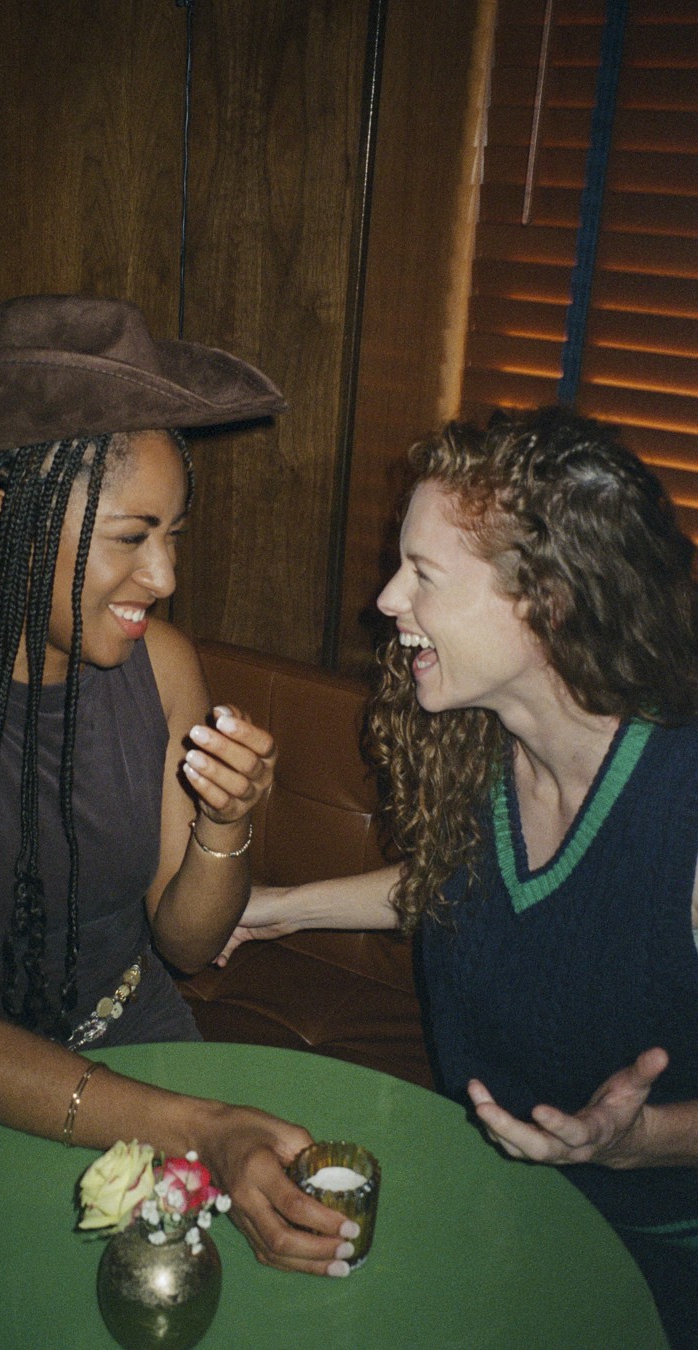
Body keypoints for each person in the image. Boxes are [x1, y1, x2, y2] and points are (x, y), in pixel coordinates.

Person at [0, 294, 360, 1277]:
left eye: (173, 533)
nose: (165, 574)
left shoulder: (164, 666)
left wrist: (225, 824)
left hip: (144, 1038)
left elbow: (185, 944)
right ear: (1, 523)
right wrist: (201, 1126)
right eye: (131, 536)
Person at [220, 406, 698, 1345]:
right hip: (489, 1199)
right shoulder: (481, 740)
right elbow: (465, 887)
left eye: (422, 574)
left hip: (654, 1251)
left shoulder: (683, 803)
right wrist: (280, 909)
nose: (386, 598)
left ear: (547, 602)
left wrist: (637, 1141)